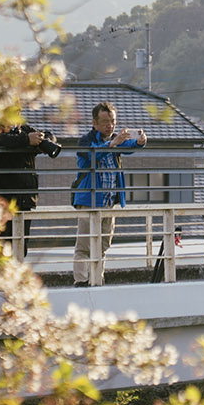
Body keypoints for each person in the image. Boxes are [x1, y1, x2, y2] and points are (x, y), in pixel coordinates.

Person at [70, 101, 147, 286]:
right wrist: (113, 144)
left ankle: (98, 279)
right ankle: (81, 280)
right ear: (94, 123)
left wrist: (140, 141)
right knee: (85, 245)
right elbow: (91, 157)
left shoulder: (115, 140)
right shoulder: (86, 140)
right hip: (89, 200)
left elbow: (129, 146)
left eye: (112, 121)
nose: (109, 126)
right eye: (105, 121)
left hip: (108, 201)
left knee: (103, 245)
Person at [0, 121, 63, 245]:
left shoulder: (24, 129)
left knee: (20, 248)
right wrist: (26, 141)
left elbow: (48, 135)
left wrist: (43, 139)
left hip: (23, 201)